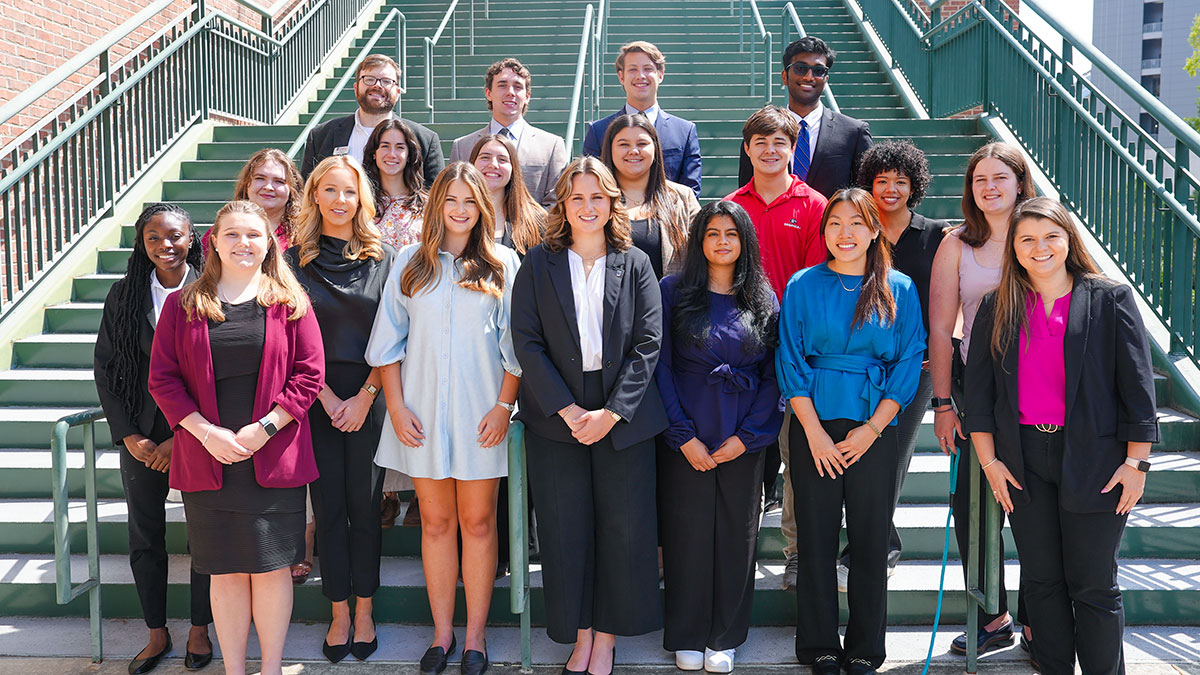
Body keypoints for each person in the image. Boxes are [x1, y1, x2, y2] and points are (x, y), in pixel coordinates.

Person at [964, 196, 1157, 675]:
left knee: (1093, 584)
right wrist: (991, 465)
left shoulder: (1109, 298)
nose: (1040, 247)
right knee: (1043, 582)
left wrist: (1136, 465)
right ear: (1014, 247)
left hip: (1096, 457)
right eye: (1026, 239)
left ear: (1068, 238)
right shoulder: (997, 304)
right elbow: (982, 398)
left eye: (1050, 235)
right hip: (1023, 457)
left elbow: (1138, 389)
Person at [149, 200, 323, 675]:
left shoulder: (290, 302)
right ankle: (234, 670)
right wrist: (206, 434)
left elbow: (310, 376)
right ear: (213, 242)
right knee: (223, 572)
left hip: (273, 457)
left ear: (269, 243)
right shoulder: (183, 305)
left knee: (270, 570)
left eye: (253, 234)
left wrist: (263, 428)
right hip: (208, 458)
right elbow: (162, 380)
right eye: (232, 234)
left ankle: (269, 669)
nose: (243, 243)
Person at [511, 157, 668, 675]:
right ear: (563, 203)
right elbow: (527, 343)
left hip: (624, 414)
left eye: (597, 196)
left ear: (611, 202)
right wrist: (569, 408)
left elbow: (649, 343)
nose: (586, 206)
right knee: (564, 529)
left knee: (622, 530)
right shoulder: (538, 263)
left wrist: (612, 413)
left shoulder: (637, 261)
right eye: (576, 197)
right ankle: (579, 635)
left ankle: (606, 638)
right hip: (557, 414)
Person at [366, 162, 522, 675]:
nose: (459, 210)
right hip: (422, 416)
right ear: (437, 205)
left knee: (478, 523)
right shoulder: (410, 262)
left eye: (470, 201)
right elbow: (388, 343)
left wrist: (503, 407)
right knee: (435, 523)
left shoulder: (503, 263)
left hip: (484, 415)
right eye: (450, 199)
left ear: (483, 207)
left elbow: (515, 349)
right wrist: (396, 406)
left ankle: (475, 638)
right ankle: (441, 635)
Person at [775, 188, 925, 675]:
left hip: (873, 426)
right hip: (813, 421)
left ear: (875, 229)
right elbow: (790, 357)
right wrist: (814, 433)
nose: (846, 233)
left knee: (869, 538)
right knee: (816, 538)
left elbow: (908, 359)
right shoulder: (802, 284)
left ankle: (865, 648)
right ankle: (817, 643)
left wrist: (874, 429)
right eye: (835, 223)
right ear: (823, 231)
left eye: (857, 223)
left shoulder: (898, 287)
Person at [655, 200, 783, 673]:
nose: (722, 242)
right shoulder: (673, 292)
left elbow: (773, 375)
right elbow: (660, 368)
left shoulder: (763, 297)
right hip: (685, 434)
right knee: (686, 536)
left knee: (736, 536)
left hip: (742, 437)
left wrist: (746, 438)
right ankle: (686, 633)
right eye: (712, 233)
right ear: (698, 241)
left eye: (731, 233)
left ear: (744, 241)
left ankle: (724, 638)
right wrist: (682, 434)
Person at [93, 203, 213, 674]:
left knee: (204, 533)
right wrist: (127, 435)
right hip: (141, 436)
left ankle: (201, 628)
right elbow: (107, 369)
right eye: (154, 238)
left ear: (192, 238)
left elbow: (218, 374)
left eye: (175, 236)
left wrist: (183, 436)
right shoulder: (125, 295)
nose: (166, 245)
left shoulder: (211, 291)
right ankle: (157, 631)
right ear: (142, 245)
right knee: (146, 534)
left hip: (200, 433)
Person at [285, 156, 395, 663]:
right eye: (329, 190)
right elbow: (287, 341)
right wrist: (326, 397)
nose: (339, 200)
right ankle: (338, 613)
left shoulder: (385, 259)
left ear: (361, 199)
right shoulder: (291, 263)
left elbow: (396, 335)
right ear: (314, 197)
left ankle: (366, 609)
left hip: (370, 395)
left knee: (365, 508)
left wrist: (366, 394)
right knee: (328, 509)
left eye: (349, 191)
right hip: (314, 398)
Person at [928, 142, 1036, 658]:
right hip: (978, 388)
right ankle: (994, 616)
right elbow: (942, 329)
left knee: (1037, 502)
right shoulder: (956, 244)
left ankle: (1041, 616)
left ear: (1020, 183)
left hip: (1042, 388)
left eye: (1000, 178)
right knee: (975, 502)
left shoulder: (1042, 234)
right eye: (979, 180)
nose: (989, 188)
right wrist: (943, 404)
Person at [835, 140, 947, 586]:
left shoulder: (937, 234)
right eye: (882, 181)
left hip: (913, 367)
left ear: (913, 185)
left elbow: (946, 302)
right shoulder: (858, 229)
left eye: (900, 181)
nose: (890, 189)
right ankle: (873, 540)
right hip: (860, 363)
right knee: (860, 453)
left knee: (893, 456)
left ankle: (876, 546)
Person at [726, 104, 828, 591]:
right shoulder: (729, 206)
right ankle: (732, 550)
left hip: (794, 346)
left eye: (780, 142)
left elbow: (811, 284)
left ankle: (796, 552)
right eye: (760, 142)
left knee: (796, 451)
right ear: (748, 149)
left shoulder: (815, 206)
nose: (770, 150)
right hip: (739, 348)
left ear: (793, 150)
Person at [737, 36, 872, 200]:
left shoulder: (854, 132)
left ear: (826, 79)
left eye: (819, 71)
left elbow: (866, 196)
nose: (809, 77)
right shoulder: (759, 131)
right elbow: (747, 193)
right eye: (801, 68)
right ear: (785, 76)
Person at [301, 54, 443, 187]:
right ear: (356, 88)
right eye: (369, 79)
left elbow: (435, 198)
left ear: (398, 93)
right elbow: (308, 191)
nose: (377, 85)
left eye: (387, 81)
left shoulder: (425, 140)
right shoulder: (321, 136)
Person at [583, 41, 702, 198]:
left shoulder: (685, 131)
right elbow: (590, 186)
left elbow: (691, 192)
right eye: (633, 69)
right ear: (621, 76)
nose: (640, 76)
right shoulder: (598, 131)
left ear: (660, 75)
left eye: (648, 69)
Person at [450, 58, 568, 208]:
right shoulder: (462, 147)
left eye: (517, 87)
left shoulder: (551, 146)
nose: (510, 92)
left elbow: (555, 204)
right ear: (488, 93)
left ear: (527, 97)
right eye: (502, 85)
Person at [600, 113, 699, 278]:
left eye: (642, 143)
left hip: (668, 302)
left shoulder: (683, 197)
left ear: (655, 148)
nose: (633, 151)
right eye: (623, 144)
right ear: (610, 150)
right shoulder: (596, 198)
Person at [201, 149, 303, 256]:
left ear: (292, 189)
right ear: (247, 184)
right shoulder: (221, 231)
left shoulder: (305, 234)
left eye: (279, 181)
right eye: (260, 178)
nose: (268, 187)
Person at [469, 133, 547, 255]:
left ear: (513, 168)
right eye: (485, 157)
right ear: (472, 163)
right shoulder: (457, 215)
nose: (493, 164)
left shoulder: (536, 221)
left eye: (502, 159)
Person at [363, 118, 428, 250]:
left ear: (409, 155)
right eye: (385, 146)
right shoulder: (361, 203)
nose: (392, 154)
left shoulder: (427, 205)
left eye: (400, 147)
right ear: (374, 153)